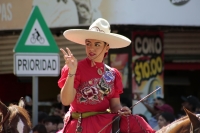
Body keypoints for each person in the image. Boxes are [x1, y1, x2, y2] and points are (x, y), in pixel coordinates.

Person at [57, 18, 155, 133]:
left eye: (97, 44)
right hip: (81, 124)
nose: (91, 48)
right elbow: (65, 101)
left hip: (105, 122)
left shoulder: (113, 73)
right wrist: (71, 71)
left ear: (106, 47)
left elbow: (115, 106)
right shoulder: (75, 68)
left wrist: (122, 110)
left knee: (136, 121)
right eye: (88, 43)